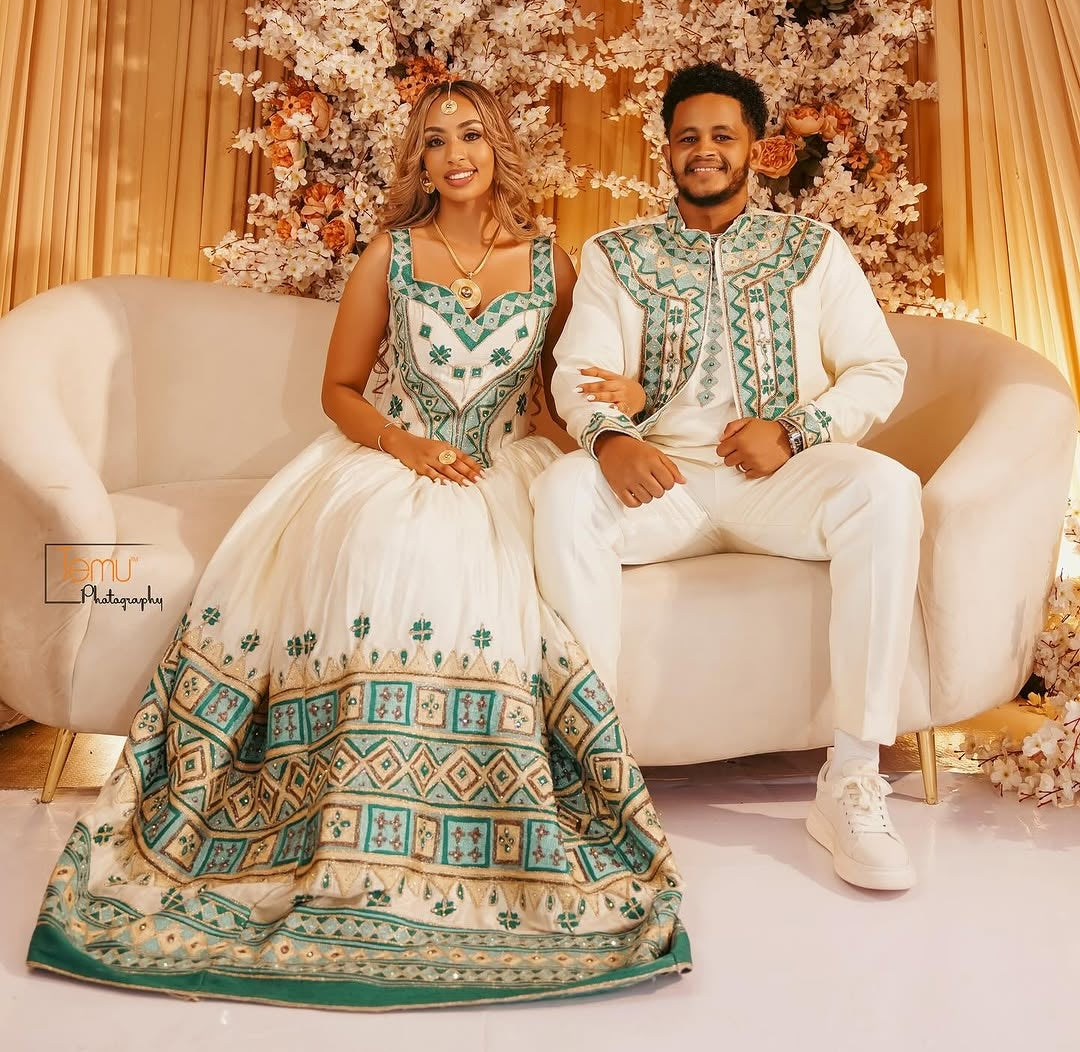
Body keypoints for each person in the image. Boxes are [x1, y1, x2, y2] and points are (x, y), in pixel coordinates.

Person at [28, 79, 690, 1009]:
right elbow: (339, 390)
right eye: (432, 140)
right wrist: (403, 443)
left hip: (504, 464)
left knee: (498, 586)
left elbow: (558, 392)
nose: (453, 152)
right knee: (386, 553)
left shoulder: (554, 261)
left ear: (499, 144)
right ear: (417, 162)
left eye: (469, 133)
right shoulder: (391, 254)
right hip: (393, 456)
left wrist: (614, 415)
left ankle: (484, 834)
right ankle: (341, 827)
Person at [532, 62, 923, 893]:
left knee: (887, 489)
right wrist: (608, 442)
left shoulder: (812, 251)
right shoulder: (617, 254)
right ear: (664, 151)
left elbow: (876, 371)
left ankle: (851, 776)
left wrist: (796, 429)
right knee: (563, 491)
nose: (703, 151)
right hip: (665, 485)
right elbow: (581, 370)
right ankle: (590, 772)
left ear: (756, 148)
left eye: (722, 136)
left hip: (779, 480)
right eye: (687, 138)